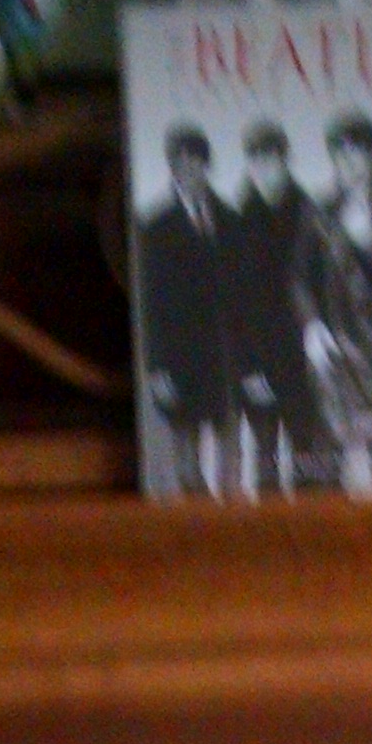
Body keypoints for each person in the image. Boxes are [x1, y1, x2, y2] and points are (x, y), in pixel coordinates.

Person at [297, 112, 372, 495]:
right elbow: (299, 276)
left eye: (357, 154)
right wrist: (312, 324)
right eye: (340, 155)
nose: (348, 164)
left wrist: (368, 244)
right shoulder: (318, 212)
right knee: (329, 465)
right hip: (333, 347)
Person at [136, 123, 235, 495]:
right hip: (179, 358)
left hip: (223, 356)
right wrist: (157, 366)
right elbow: (152, 304)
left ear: (207, 165)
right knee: (186, 455)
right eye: (181, 162)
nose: (190, 170)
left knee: (230, 453)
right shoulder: (153, 227)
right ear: (171, 167)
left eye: (197, 161)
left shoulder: (229, 219)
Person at [226, 119, 321, 492]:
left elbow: (324, 287)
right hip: (257, 360)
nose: (265, 167)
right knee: (265, 466)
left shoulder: (311, 213)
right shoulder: (235, 220)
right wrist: (248, 368)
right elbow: (232, 303)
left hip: (304, 360)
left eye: (272, 157)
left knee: (311, 465)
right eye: (256, 158)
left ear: (286, 159)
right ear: (248, 163)